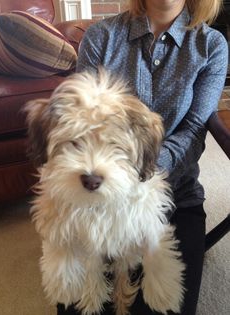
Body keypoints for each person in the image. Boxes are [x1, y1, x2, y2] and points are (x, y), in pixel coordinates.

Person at [57, 0, 228, 314]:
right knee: (81, 304)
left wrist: (134, 172)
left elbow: (193, 128)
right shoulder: (101, 37)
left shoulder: (211, 45)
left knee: (163, 305)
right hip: (97, 200)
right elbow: (82, 119)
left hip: (175, 197)